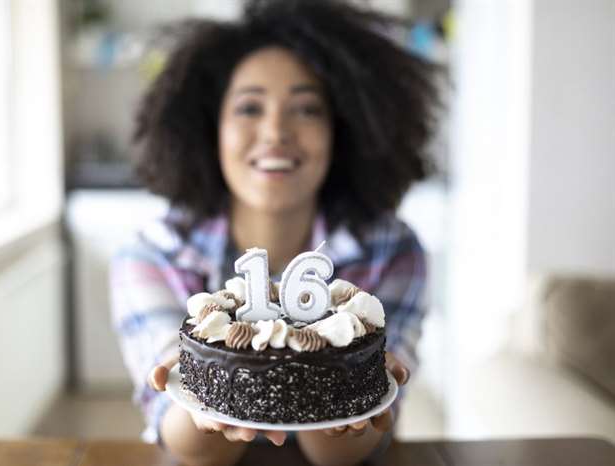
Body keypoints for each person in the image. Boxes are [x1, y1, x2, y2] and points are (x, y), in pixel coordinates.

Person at [110, 1, 439, 465]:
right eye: (249, 107)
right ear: (209, 129)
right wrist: (204, 402)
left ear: (342, 130)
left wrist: (352, 386)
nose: (275, 132)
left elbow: (346, 455)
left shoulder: (392, 251)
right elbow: (189, 443)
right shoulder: (153, 254)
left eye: (307, 109)